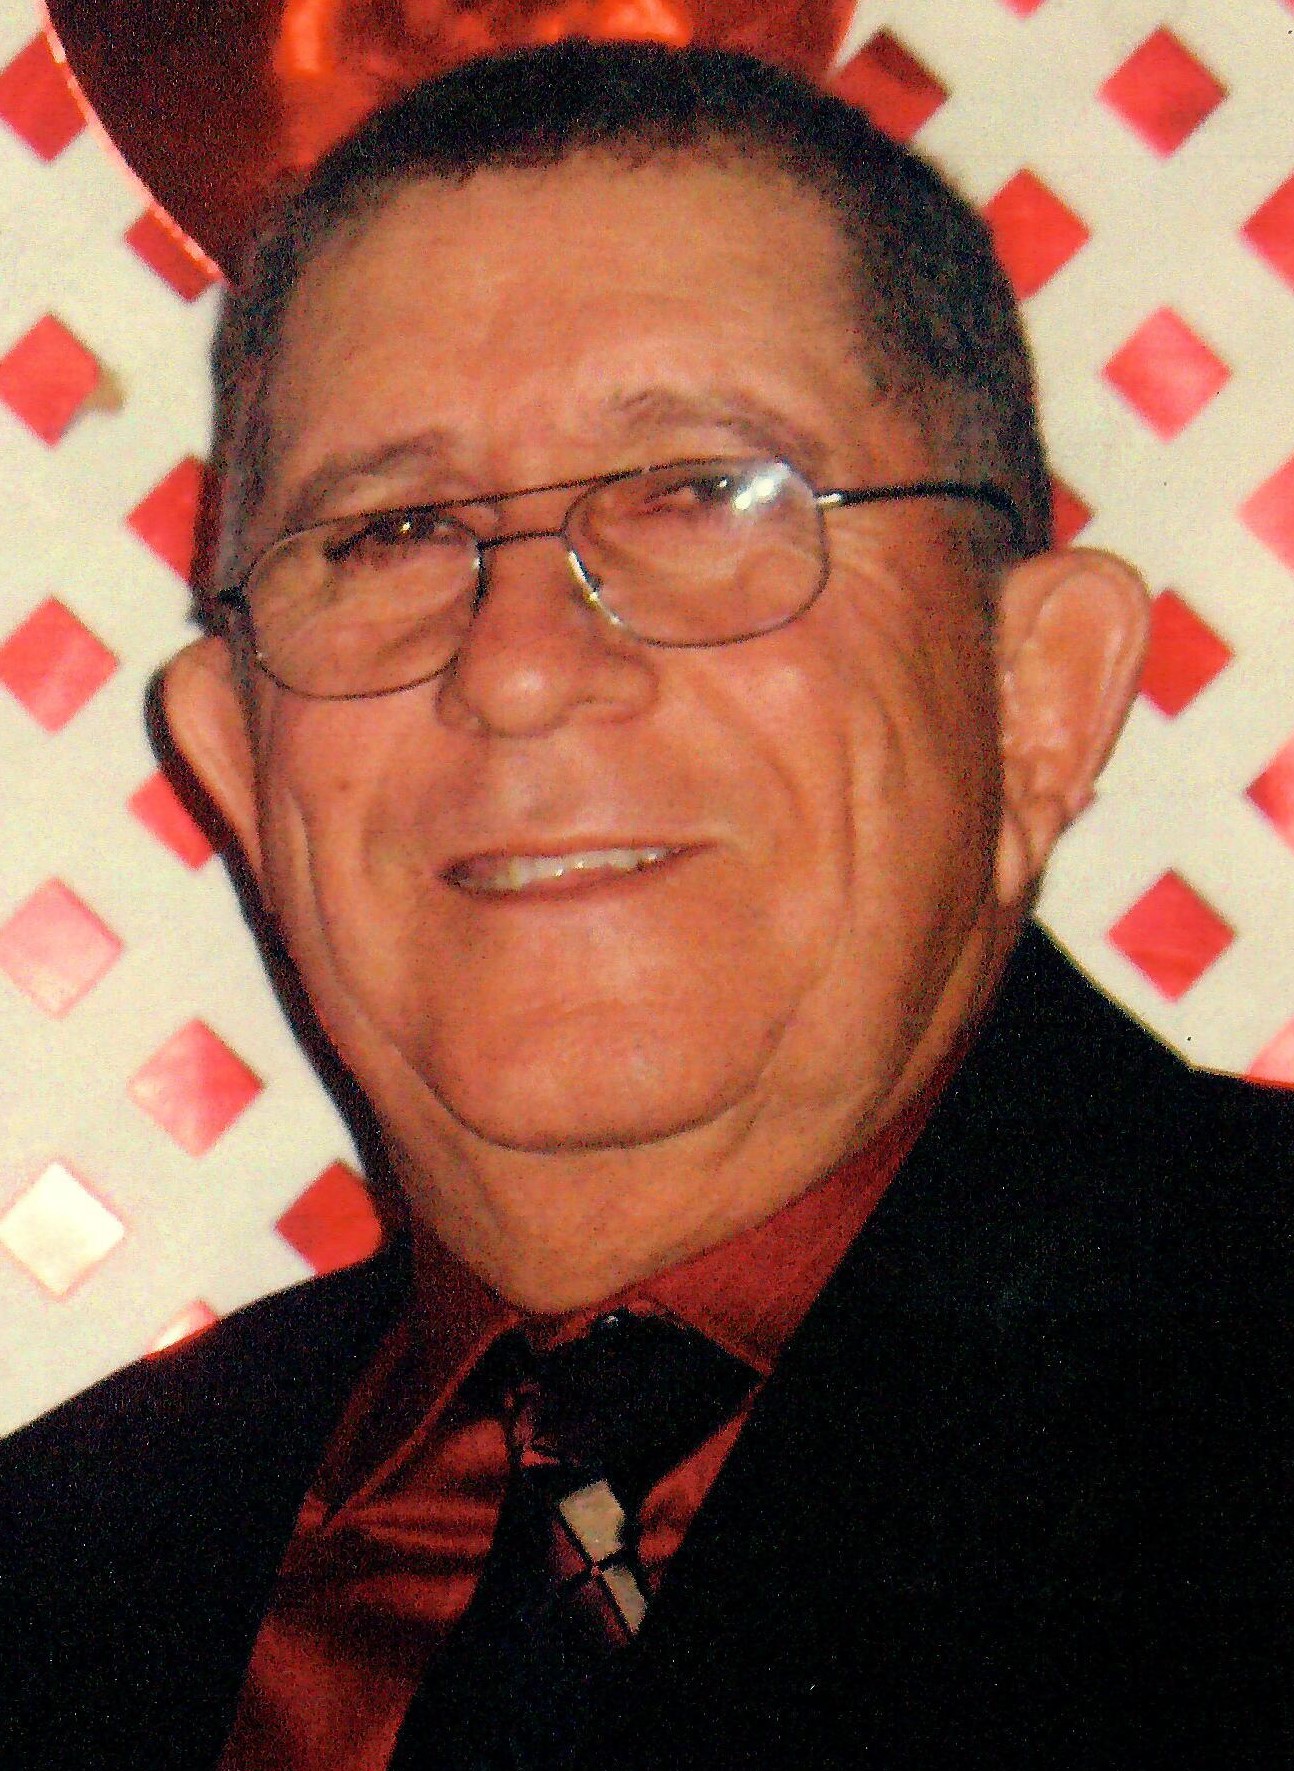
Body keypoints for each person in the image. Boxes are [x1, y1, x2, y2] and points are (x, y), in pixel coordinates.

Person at [1, 40, 1288, 1771]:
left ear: (1037, 696)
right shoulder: (58, 1563)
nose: (520, 667)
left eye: (703, 494)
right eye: (390, 533)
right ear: (237, 763)